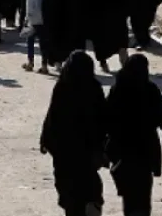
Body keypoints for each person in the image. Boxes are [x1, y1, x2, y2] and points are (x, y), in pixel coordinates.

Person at [106, 54, 162, 216]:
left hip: (122, 148)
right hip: (146, 148)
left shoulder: (118, 89)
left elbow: (106, 117)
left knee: (129, 194)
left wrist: (104, 142)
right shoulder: (150, 89)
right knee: (143, 192)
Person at [40, 50, 108, 216]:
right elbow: (104, 118)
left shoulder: (63, 87)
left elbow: (53, 117)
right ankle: (92, 204)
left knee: (69, 191)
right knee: (89, 184)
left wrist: (45, 140)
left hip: (65, 152)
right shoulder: (94, 87)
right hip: (88, 150)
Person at [23, 0, 49, 74]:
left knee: (35, 43)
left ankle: (32, 62)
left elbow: (36, 8)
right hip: (37, 21)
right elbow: (28, 8)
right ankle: (42, 64)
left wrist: (28, 18)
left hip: (36, 22)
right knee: (39, 44)